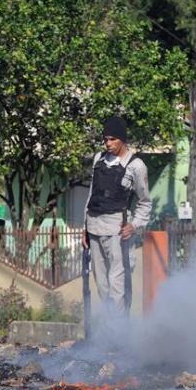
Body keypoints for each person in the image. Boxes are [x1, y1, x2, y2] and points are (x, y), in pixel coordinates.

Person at [82, 116, 151, 317]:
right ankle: (108, 330)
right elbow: (91, 194)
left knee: (117, 283)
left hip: (117, 231)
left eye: (112, 139)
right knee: (101, 283)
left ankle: (120, 333)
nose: (108, 144)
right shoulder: (98, 160)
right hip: (94, 227)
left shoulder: (136, 165)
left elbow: (145, 202)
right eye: (105, 139)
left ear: (122, 139)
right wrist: (85, 228)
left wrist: (135, 225)